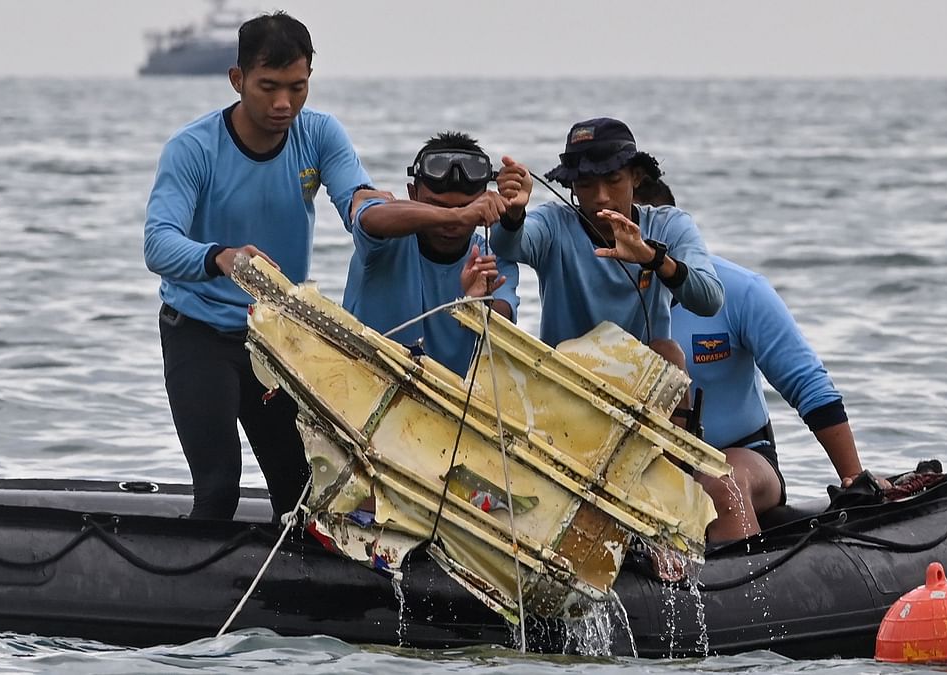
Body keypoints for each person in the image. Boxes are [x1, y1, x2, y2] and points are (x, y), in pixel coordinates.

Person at [143, 12, 376, 520]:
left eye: (297, 87)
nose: (283, 104)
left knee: (303, 498)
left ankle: (285, 597)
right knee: (220, 488)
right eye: (268, 87)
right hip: (199, 333)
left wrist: (431, 215)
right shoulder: (193, 149)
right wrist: (220, 256)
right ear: (237, 79)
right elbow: (157, 246)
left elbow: (357, 202)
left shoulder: (318, 135)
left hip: (276, 340)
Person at [631, 162, 885, 543]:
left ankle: (751, 596)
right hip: (637, 463)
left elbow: (808, 385)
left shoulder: (741, 291)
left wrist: (853, 478)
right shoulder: (601, 302)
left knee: (718, 486)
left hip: (742, 456)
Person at [489, 117, 724, 359]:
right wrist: (514, 211)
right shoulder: (554, 224)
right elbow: (507, 246)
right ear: (572, 185)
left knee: (670, 352)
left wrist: (653, 258)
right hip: (565, 381)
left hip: (644, 384)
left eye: (613, 181)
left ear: (637, 176)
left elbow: (710, 300)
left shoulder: (669, 225)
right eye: (586, 184)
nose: (601, 197)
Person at [343, 132, 520, 375]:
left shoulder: (491, 258)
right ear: (412, 194)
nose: (452, 224)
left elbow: (506, 320)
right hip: (361, 385)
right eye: (437, 206)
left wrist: (477, 308)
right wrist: (460, 215)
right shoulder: (384, 239)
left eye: (467, 207)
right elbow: (367, 217)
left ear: (484, 202)